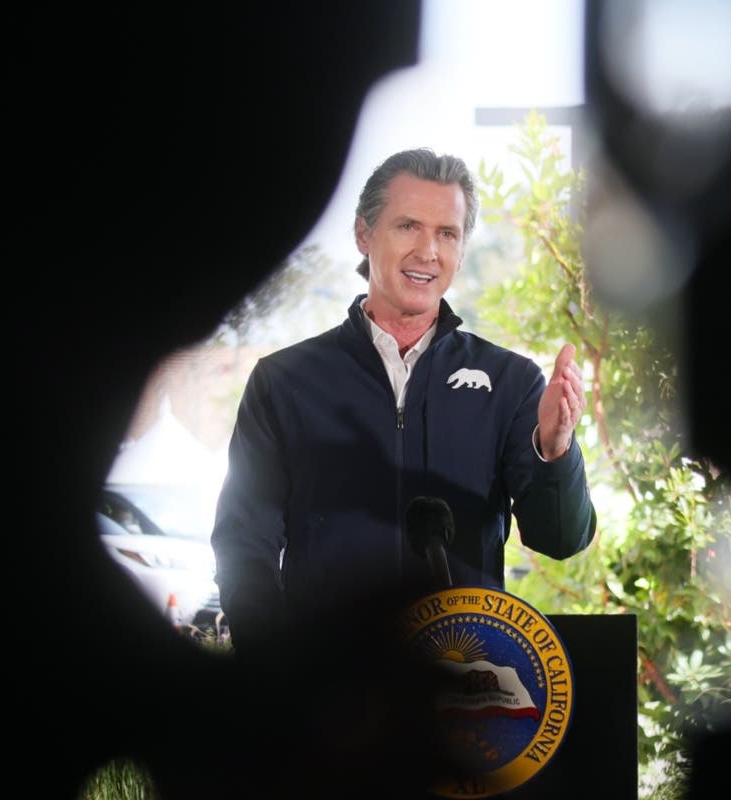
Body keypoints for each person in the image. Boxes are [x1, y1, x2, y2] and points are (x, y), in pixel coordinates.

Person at [211, 147, 597, 656]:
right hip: (328, 690)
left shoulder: (511, 382)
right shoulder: (284, 382)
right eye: (408, 226)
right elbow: (244, 541)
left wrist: (555, 449)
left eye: (447, 233)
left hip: (462, 690)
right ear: (364, 234)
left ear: (461, 249)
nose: (428, 252)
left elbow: (562, 539)